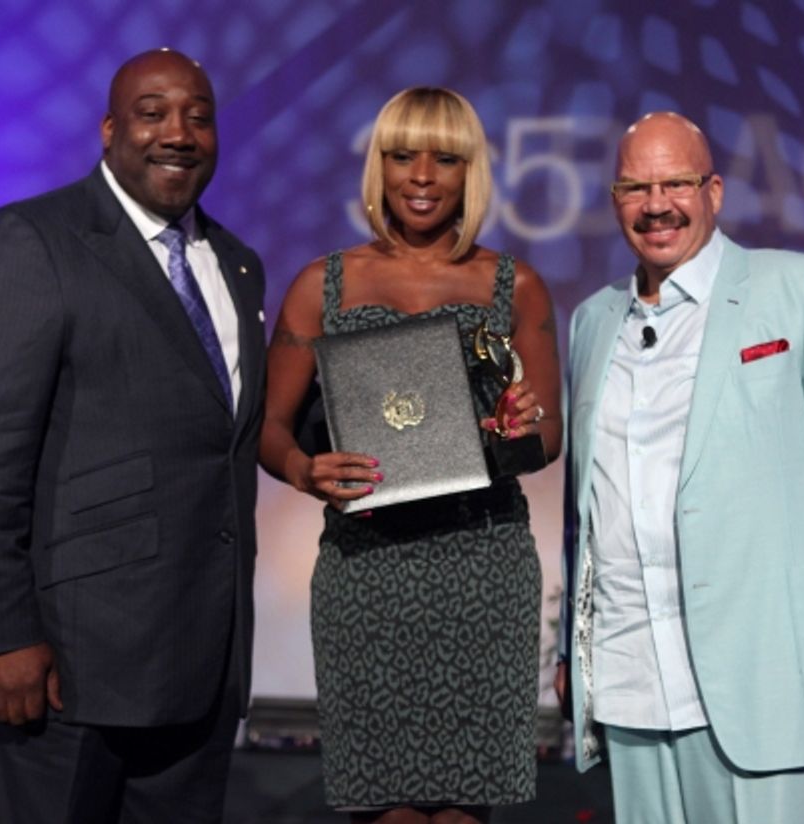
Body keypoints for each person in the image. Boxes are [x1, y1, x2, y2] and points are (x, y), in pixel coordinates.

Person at [0, 49, 266, 823]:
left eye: (199, 115)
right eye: (152, 113)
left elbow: (224, 436)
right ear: (111, 129)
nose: (178, 132)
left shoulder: (238, 266)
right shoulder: (29, 242)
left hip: (198, 673)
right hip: (60, 675)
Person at [556, 112, 804, 824]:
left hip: (764, 672)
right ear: (614, 200)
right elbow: (584, 508)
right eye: (637, 187)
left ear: (714, 191)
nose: (656, 204)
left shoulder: (801, 290)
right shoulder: (594, 321)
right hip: (633, 672)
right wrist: (578, 646)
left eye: (676, 183)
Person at [259, 87, 561, 824]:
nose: (422, 176)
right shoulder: (319, 285)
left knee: (463, 811)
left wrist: (522, 425)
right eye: (402, 156)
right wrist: (305, 470)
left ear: (471, 173)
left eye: (445, 159)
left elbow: (548, 441)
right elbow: (269, 429)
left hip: (482, 565)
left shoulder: (513, 287)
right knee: (384, 808)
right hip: (368, 568)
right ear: (378, 167)